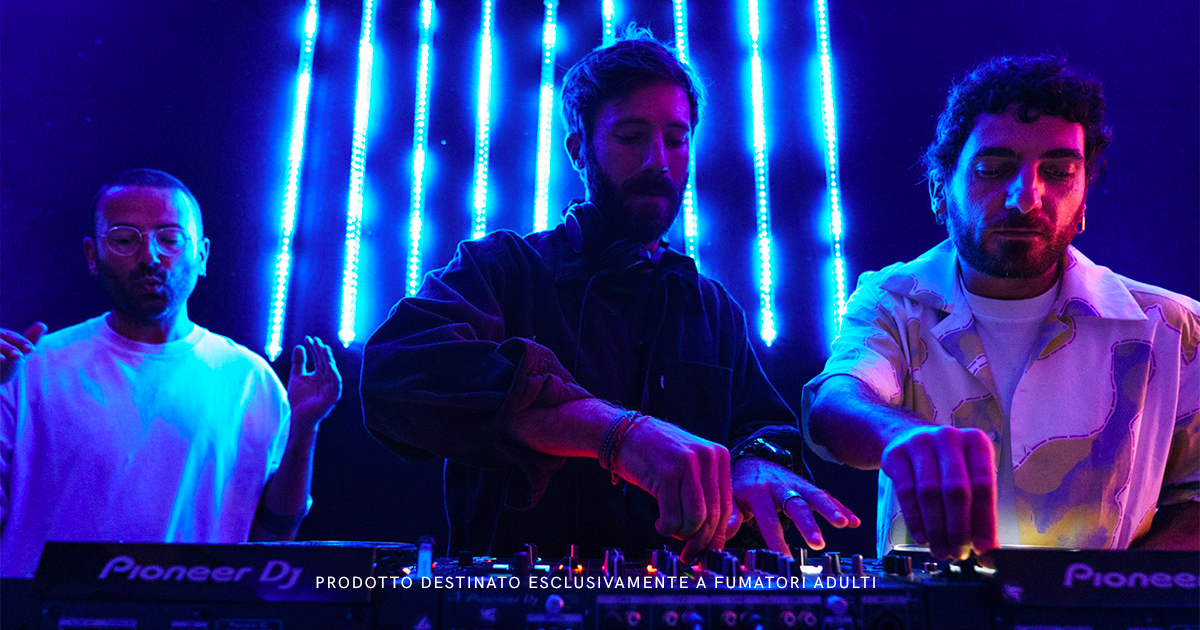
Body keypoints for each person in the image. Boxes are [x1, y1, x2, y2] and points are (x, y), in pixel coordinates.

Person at [361, 29, 858, 563]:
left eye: (676, 139)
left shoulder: (713, 310)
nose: (658, 161)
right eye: (630, 137)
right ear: (579, 149)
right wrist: (615, 433)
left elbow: (763, 426)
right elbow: (396, 370)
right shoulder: (503, 269)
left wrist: (757, 461)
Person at [803, 55, 1199, 561]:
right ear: (938, 189)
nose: (1025, 198)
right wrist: (902, 436)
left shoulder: (1172, 328)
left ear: (1084, 199)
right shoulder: (892, 302)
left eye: (1058, 172)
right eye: (993, 169)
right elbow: (835, 403)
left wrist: (1104, 590)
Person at [0, 168, 342, 577]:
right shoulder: (30, 369)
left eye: (170, 238)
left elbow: (273, 537)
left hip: (197, 608)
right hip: (41, 608)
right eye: (124, 239)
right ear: (93, 255)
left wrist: (304, 429)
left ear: (202, 255)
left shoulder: (249, 379)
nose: (150, 256)